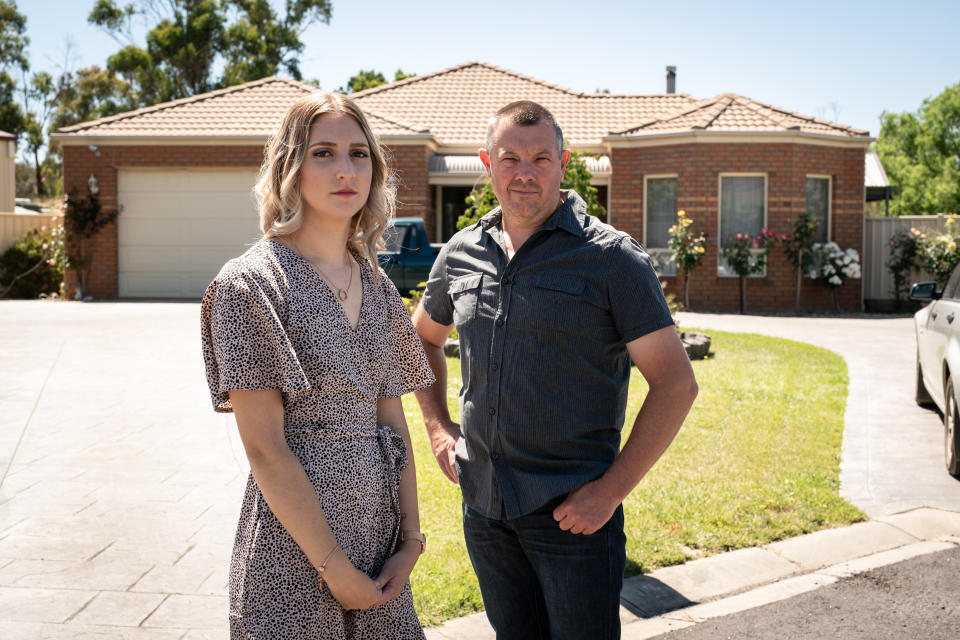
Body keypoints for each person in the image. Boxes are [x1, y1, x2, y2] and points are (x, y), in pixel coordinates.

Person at [411, 101, 699, 640]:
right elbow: (421, 339)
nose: (525, 172)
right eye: (510, 158)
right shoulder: (461, 253)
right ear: (486, 164)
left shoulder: (612, 259)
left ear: (563, 163)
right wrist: (438, 427)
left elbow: (677, 384)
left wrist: (610, 492)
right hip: (486, 509)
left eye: (541, 158)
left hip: (573, 514)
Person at [200, 91, 435, 639]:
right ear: (289, 167)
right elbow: (264, 447)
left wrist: (411, 540)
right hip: (294, 552)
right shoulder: (249, 285)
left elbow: (392, 423)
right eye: (323, 153)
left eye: (359, 154)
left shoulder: (376, 284)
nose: (345, 169)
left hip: (381, 551)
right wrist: (334, 568)